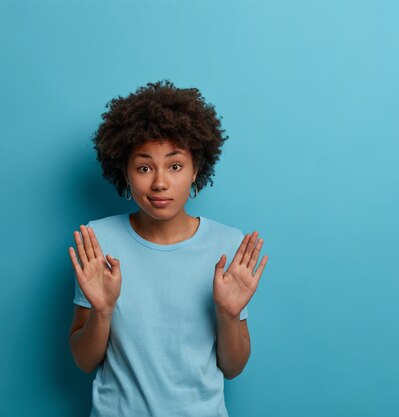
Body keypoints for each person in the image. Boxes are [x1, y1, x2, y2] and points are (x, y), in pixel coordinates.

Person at [68, 80, 268, 417]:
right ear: (126, 173)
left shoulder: (227, 244)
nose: (160, 182)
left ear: (196, 171)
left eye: (175, 166)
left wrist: (228, 314)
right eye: (144, 167)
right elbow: (84, 361)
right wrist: (102, 310)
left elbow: (233, 367)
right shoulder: (98, 240)